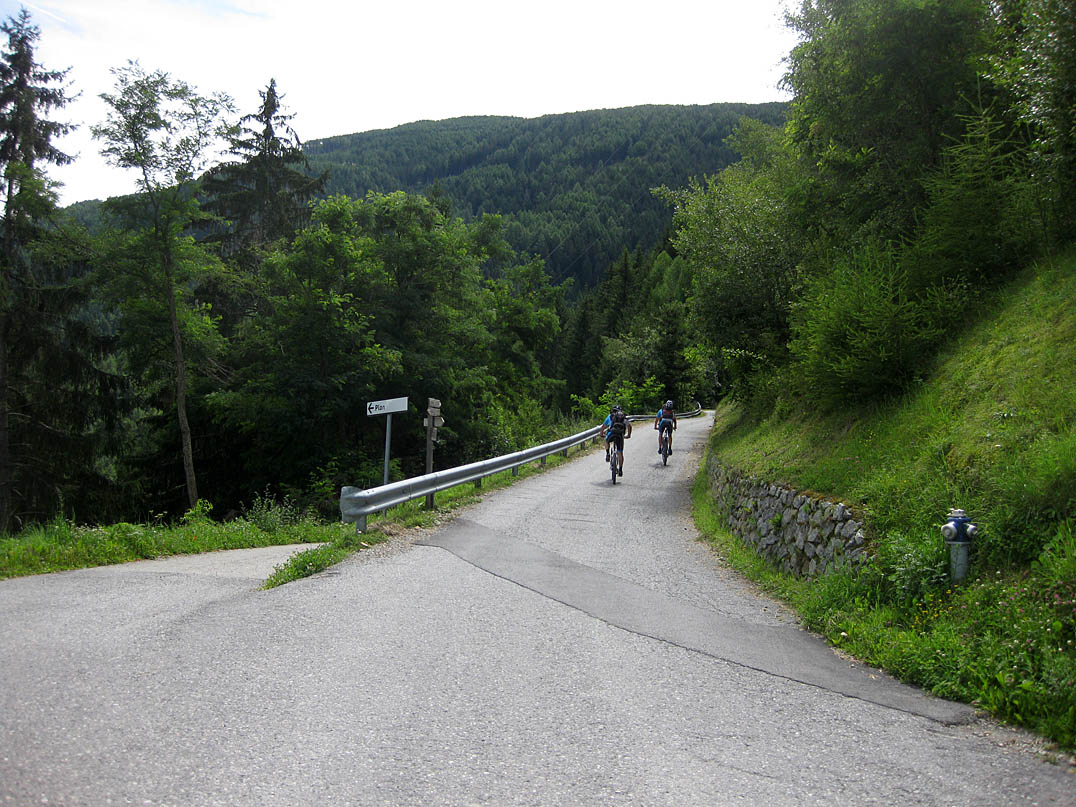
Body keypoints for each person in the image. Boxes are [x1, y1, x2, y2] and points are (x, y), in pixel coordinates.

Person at [600, 404, 632, 476]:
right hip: (620, 435)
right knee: (620, 453)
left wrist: (601, 433)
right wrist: (628, 435)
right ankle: (620, 470)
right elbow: (629, 426)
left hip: (612, 433)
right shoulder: (623, 417)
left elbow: (603, 426)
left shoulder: (610, 416)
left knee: (606, 441)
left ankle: (607, 454)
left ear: (612, 410)